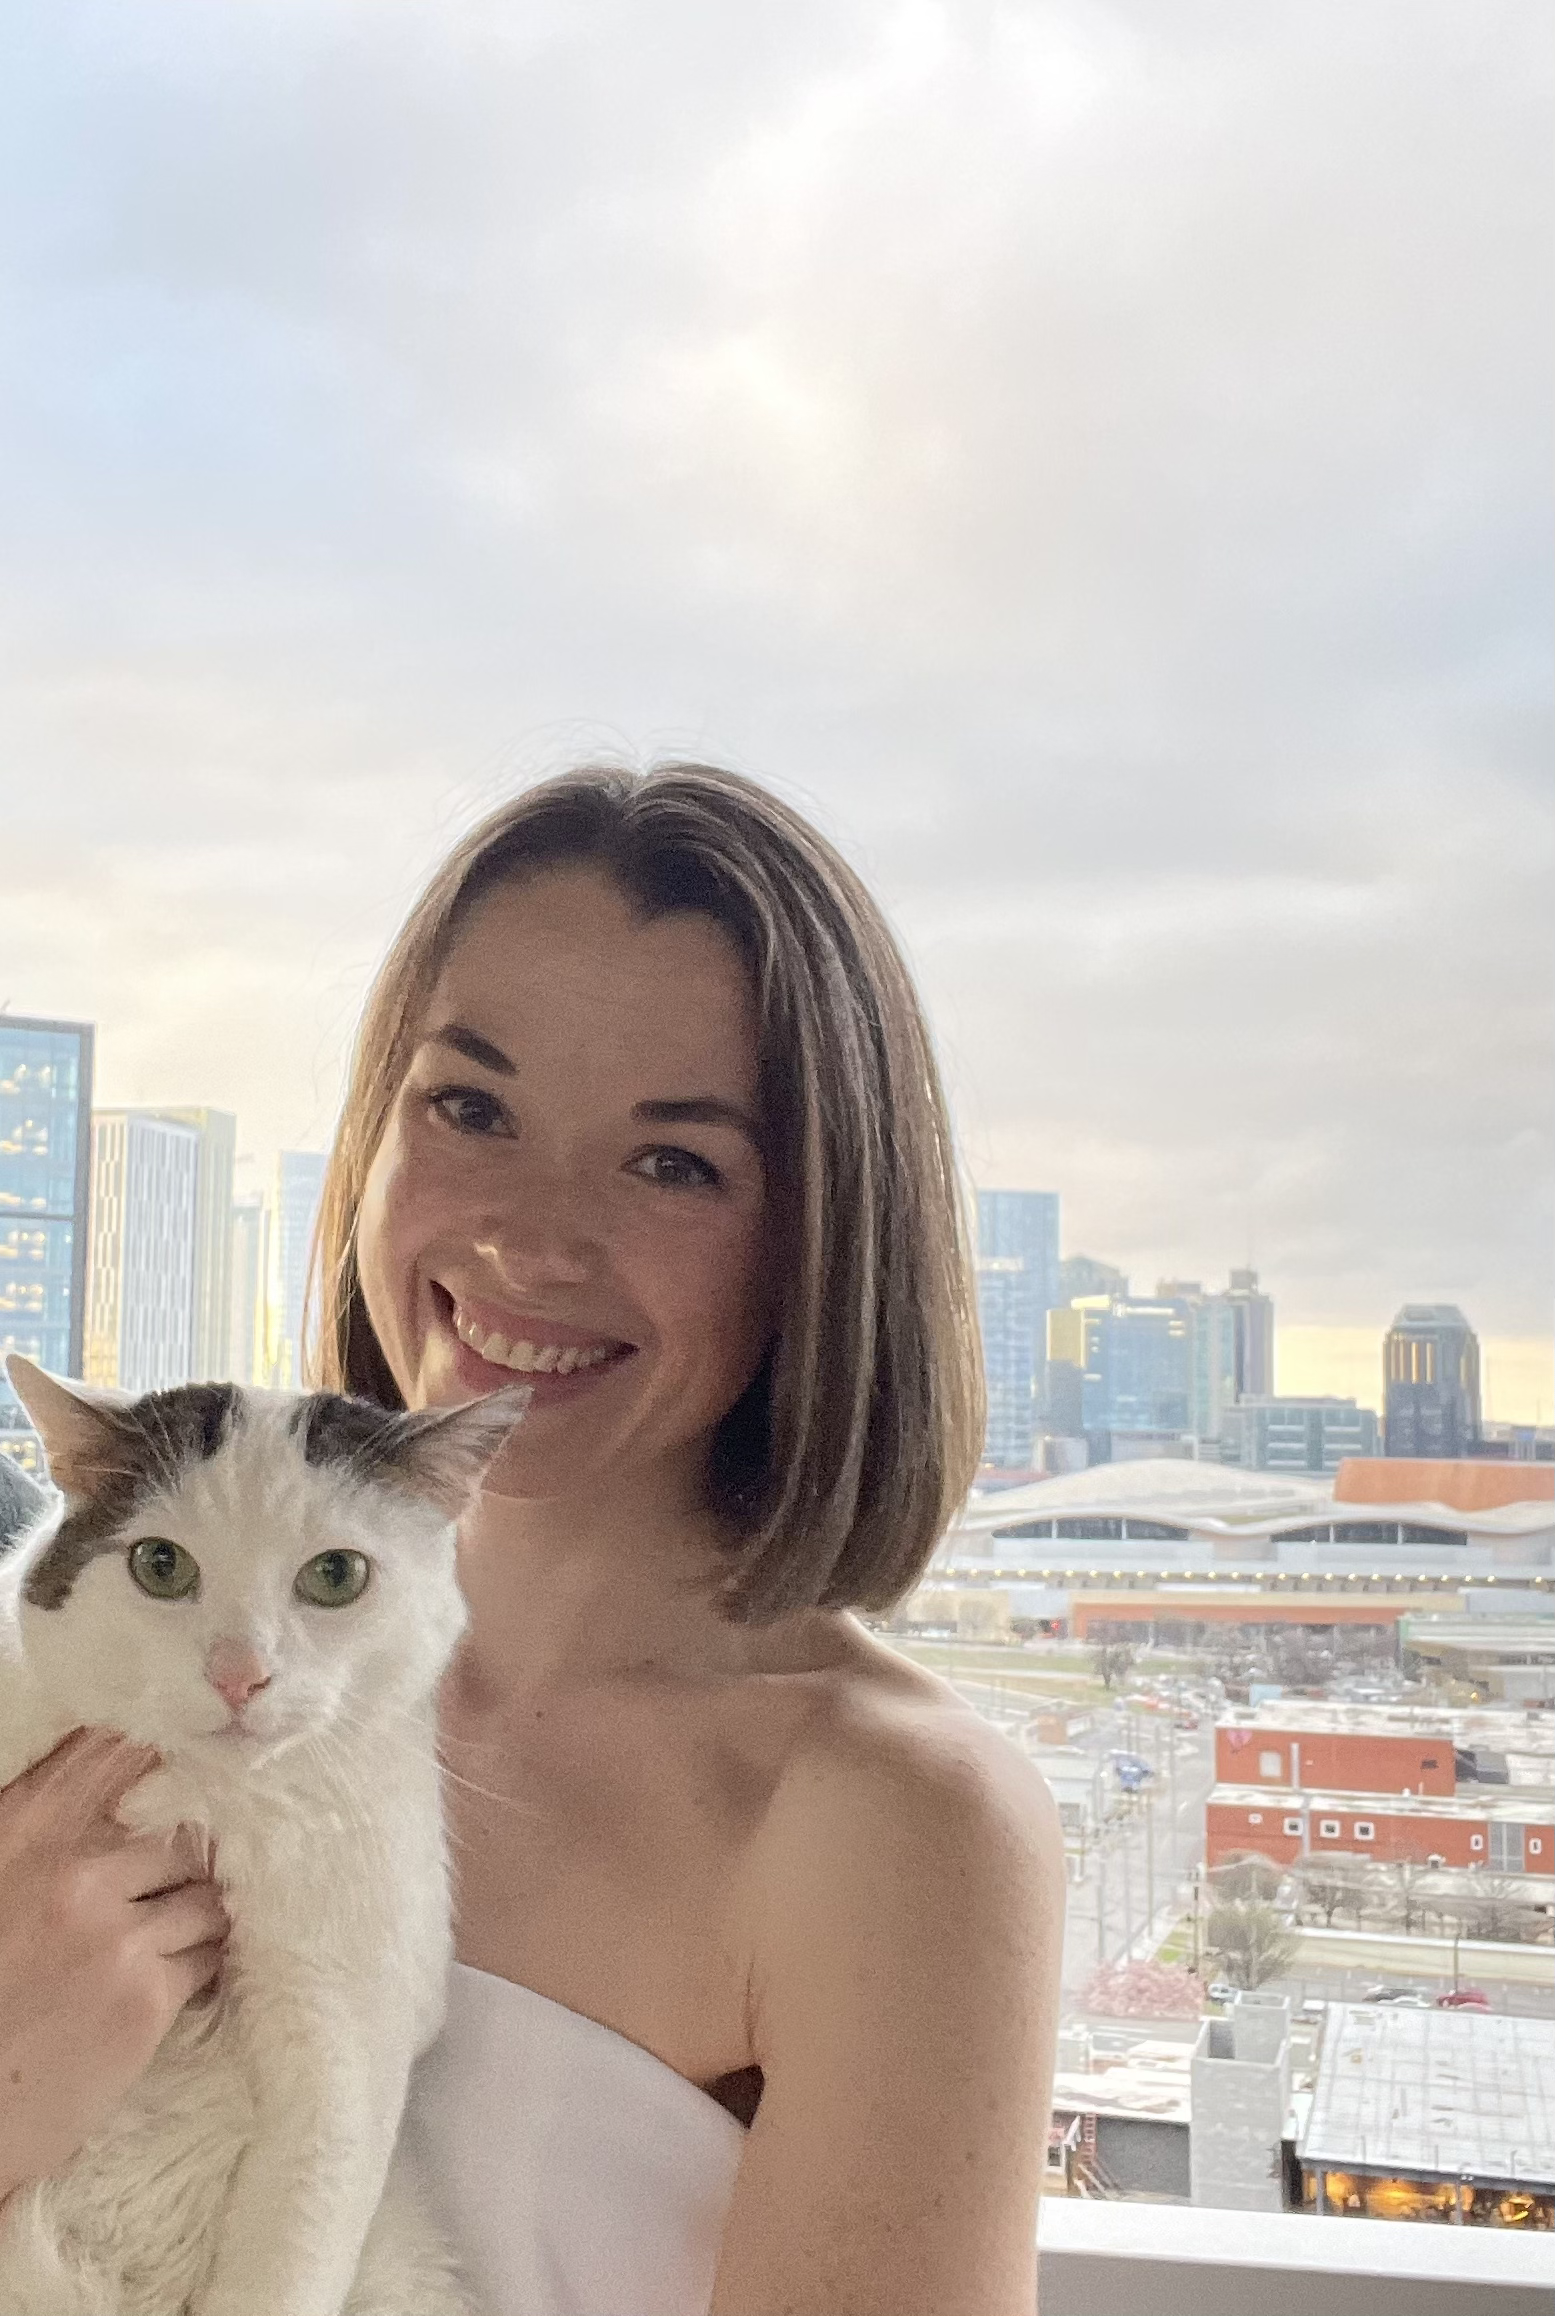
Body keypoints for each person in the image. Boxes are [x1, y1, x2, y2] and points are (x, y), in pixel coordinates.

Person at [1, 763, 1063, 2316]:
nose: (528, 1234)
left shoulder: (892, 1823)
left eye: (672, 1160)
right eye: (471, 1107)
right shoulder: (93, 1664)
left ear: (820, 1236)